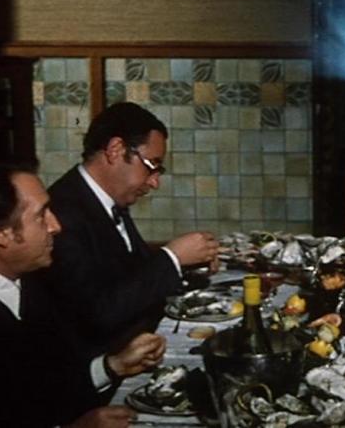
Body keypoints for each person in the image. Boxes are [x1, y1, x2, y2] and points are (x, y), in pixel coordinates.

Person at [0, 160, 167, 427]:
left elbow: (39, 386)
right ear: (0, 234)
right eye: (42, 215)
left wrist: (112, 366)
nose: (56, 226)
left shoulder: (30, 281)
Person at [29, 102, 221, 359]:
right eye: (151, 166)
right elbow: (96, 314)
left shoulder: (107, 201)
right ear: (115, 150)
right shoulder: (62, 212)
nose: (155, 182)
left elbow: (129, 275)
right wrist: (171, 258)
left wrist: (187, 263)